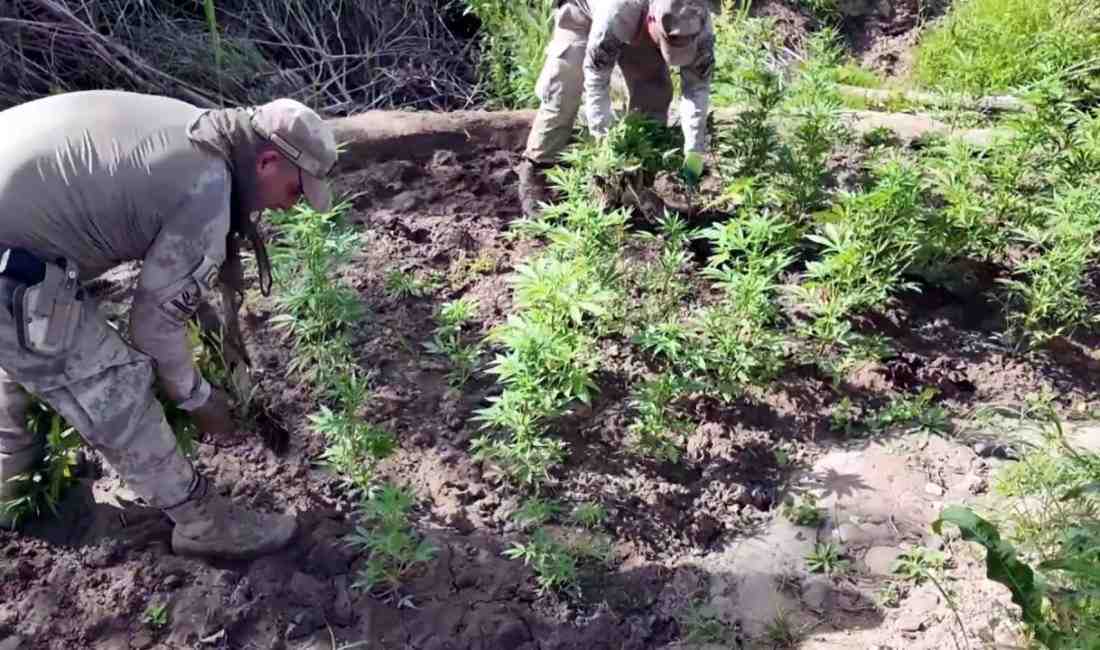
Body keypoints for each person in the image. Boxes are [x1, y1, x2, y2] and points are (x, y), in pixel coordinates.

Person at [0, 90, 338, 560]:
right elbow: (153, 327)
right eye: (296, 190)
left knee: (26, 349)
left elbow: (177, 290)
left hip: (16, 236)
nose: (292, 206)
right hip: (8, 262)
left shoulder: (197, 127)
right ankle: (202, 522)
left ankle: (9, 487)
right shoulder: (207, 188)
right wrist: (198, 398)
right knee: (114, 382)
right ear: (266, 163)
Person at [518, 0, 720, 216]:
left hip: (640, 28)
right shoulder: (616, 10)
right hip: (584, 15)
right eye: (669, 43)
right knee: (564, 89)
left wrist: (694, 152)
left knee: (654, 94)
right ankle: (537, 175)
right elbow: (596, 80)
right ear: (653, 20)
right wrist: (606, 146)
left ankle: (638, 185)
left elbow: (696, 90)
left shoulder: (698, 22)